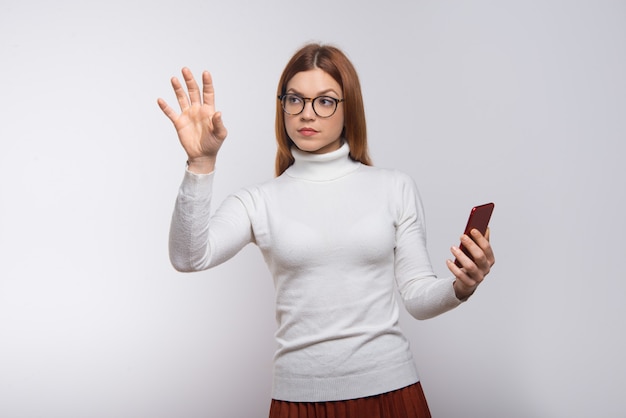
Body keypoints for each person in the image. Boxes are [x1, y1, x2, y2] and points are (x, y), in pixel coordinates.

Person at [157, 43, 495, 418]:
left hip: (392, 393)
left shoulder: (394, 187)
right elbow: (188, 257)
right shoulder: (258, 201)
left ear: (349, 108)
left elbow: (416, 297)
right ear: (282, 105)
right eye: (296, 100)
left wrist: (461, 287)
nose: (307, 113)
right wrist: (200, 163)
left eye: (325, 101)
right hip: (298, 400)